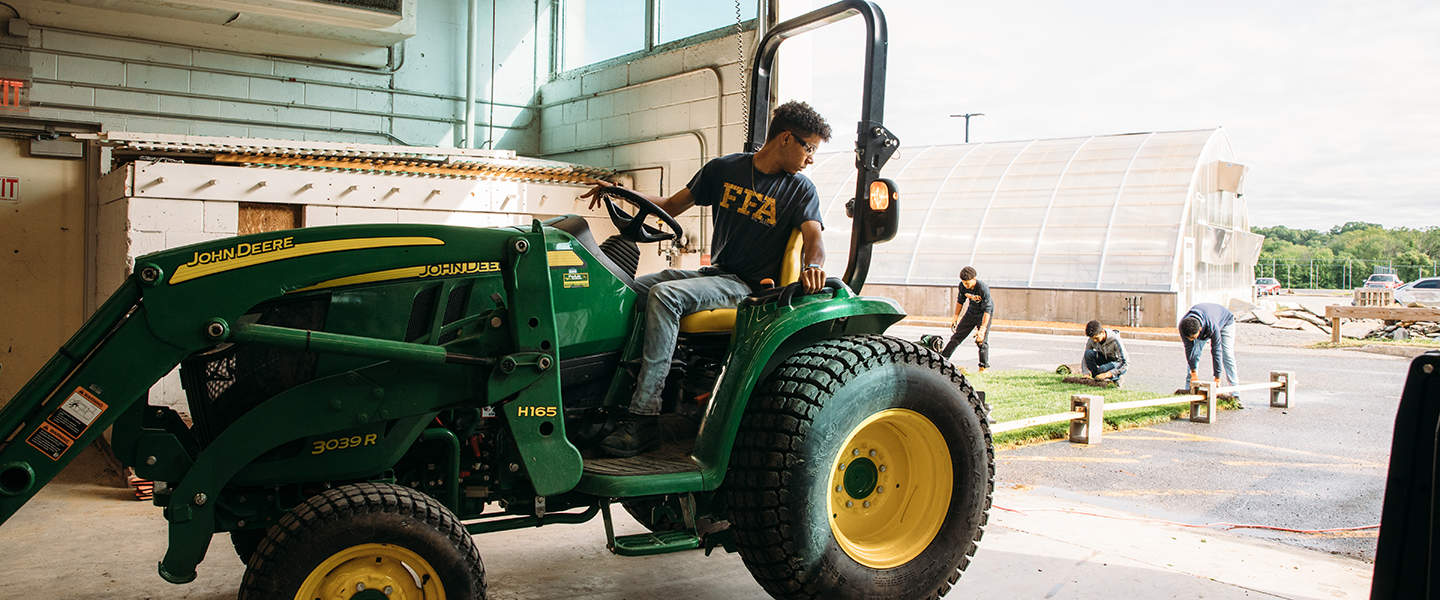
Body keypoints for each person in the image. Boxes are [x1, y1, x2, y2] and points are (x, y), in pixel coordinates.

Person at [582, 100, 831, 457]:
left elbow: (813, 237)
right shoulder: (723, 169)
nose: (811, 159)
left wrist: (812, 266)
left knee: (666, 296)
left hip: (747, 287)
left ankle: (643, 416)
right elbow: (668, 205)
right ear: (787, 139)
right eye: (809, 148)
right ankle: (605, 399)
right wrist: (618, 192)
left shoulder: (800, 190)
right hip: (715, 274)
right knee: (631, 289)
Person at [1178, 302, 1239, 403]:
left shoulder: (1212, 327)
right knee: (1195, 354)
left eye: (1194, 337)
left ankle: (1235, 394)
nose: (1192, 340)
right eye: (1190, 338)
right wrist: (1193, 373)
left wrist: (1217, 378)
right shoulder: (1184, 326)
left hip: (1226, 321)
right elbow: (1189, 351)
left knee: (1227, 355)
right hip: (1204, 320)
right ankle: (1190, 391)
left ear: (1200, 330)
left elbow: (1216, 351)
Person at [941, 266, 992, 372]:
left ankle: (983, 367)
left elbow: (988, 309)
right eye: (964, 283)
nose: (966, 285)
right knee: (956, 337)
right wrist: (955, 317)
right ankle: (942, 360)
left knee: (981, 341)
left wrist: (982, 329)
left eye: (968, 283)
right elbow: (960, 301)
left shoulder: (983, 288)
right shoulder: (962, 286)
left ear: (974, 279)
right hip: (971, 313)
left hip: (983, 314)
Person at [1082, 320, 1128, 386]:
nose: (1095, 341)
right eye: (1093, 339)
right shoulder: (1091, 339)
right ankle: (1096, 378)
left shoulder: (1115, 339)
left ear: (1102, 332)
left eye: (1096, 338)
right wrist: (1085, 373)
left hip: (1116, 363)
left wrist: (1108, 374)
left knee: (1102, 369)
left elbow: (1125, 363)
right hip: (1103, 358)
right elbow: (1085, 357)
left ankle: (1117, 377)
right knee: (1088, 353)